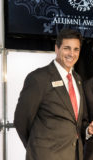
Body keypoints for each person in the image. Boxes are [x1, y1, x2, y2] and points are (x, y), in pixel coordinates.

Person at [14, 29, 85, 160]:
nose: (72, 54)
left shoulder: (77, 79)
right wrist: (36, 147)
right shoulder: (38, 78)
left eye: (76, 49)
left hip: (74, 155)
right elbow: (21, 120)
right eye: (67, 48)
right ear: (57, 49)